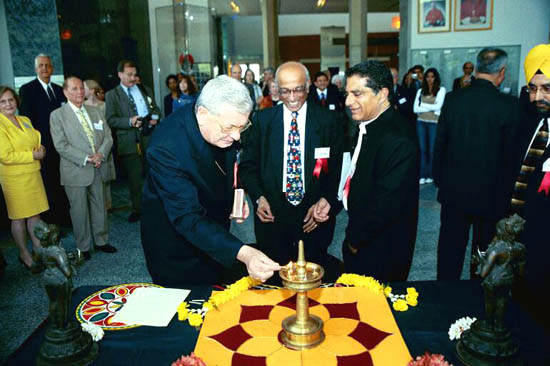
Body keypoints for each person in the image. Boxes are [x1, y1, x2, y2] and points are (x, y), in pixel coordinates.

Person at [141, 75, 280, 286]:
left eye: (241, 127)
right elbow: (187, 218)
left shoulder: (221, 124)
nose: (236, 137)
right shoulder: (165, 148)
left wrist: (237, 195)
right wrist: (244, 253)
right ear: (203, 113)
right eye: (230, 128)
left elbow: (232, 162)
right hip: (178, 246)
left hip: (214, 232)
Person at [240, 61, 344, 280]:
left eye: (298, 89)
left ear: (308, 86)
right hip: (272, 220)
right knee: (274, 282)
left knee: (314, 279)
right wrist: (259, 198)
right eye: (285, 90)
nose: (292, 97)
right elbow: (248, 166)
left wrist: (326, 202)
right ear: (276, 88)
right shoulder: (262, 121)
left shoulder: (329, 121)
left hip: (313, 219)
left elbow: (339, 170)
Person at [433, 48, 520, 280]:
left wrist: (440, 180)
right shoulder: (510, 106)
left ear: (476, 67)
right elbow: (512, 155)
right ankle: (477, 295)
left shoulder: (454, 99)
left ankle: (444, 292)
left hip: (454, 190)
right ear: (501, 72)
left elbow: (440, 142)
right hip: (491, 193)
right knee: (484, 250)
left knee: (450, 247)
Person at [341, 61, 419, 282]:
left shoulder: (397, 138)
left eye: (357, 94)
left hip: (381, 248)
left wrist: (354, 239)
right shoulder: (368, 125)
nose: (348, 102)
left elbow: (387, 204)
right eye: (347, 94)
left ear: (382, 94)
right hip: (361, 234)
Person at [50, 77, 116, 260]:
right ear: (65, 92)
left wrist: (101, 154)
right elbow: (61, 145)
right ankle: (84, 246)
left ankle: (102, 241)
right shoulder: (57, 115)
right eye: (74, 89)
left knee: (100, 206)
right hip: (75, 169)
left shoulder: (95, 111)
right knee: (79, 210)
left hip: (98, 165)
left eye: (81, 88)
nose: (79, 92)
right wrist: (87, 158)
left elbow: (108, 137)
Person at [511, 44, 550, 302]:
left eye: (547, 88)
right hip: (521, 235)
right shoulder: (529, 123)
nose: (538, 97)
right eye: (532, 89)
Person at [18, 53, 71, 228]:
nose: (45, 68)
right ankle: (52, 222)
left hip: (62, 145)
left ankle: (65, 218)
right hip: (44, 147)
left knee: (63, 182)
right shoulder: (27, 90)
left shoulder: (59, 90)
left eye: (47, 65)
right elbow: (27, 121)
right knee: (49, 184)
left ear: (52, 68)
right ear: (35, 69)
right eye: (41, 65)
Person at [105, 60, 161, 223]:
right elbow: (111, 119)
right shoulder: (112, 95)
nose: (132, 78)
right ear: (120, 74)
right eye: (129, 75)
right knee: (135, 177)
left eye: (134, 74)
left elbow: (156, 109)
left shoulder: (144, 89)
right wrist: (129, 121)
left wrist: (154, 119)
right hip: (129, 142)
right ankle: (137, 208)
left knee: (153, 173)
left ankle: (155, 205)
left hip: (148, 138)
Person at [0, 86, 48, 271]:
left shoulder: (24, 120)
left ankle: (38, 250)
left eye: (11, 100)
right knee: (19, 217)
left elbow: (34, 140)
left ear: (16, 101)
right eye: (3, 101)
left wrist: (41, 148)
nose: (8, 104)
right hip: (14, 178)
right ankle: (24, 254)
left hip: (32, 173)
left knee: (35, 214)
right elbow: (5, 156)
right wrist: (32, 156)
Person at [84, 79, 116, 211]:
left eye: (84, 88)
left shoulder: (104, 106)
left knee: (105, 176)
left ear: (91, 90)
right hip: (89, 147)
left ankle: (108, 204)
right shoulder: (83, 107)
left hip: (104, 145)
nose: (81, 91)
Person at [413, 68, 446, 184]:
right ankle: (422, 174)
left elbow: (438, 107)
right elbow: (415, 109)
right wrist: (431, 107)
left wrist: (422, 105)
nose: (430, 79)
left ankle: (431, 174)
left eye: (432, 76)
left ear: (436, 78)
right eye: (427, 76)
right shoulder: (420, 91)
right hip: (420, 122)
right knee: (422, 150)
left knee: (432, 149)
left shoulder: (441, 90)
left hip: (434, 123)